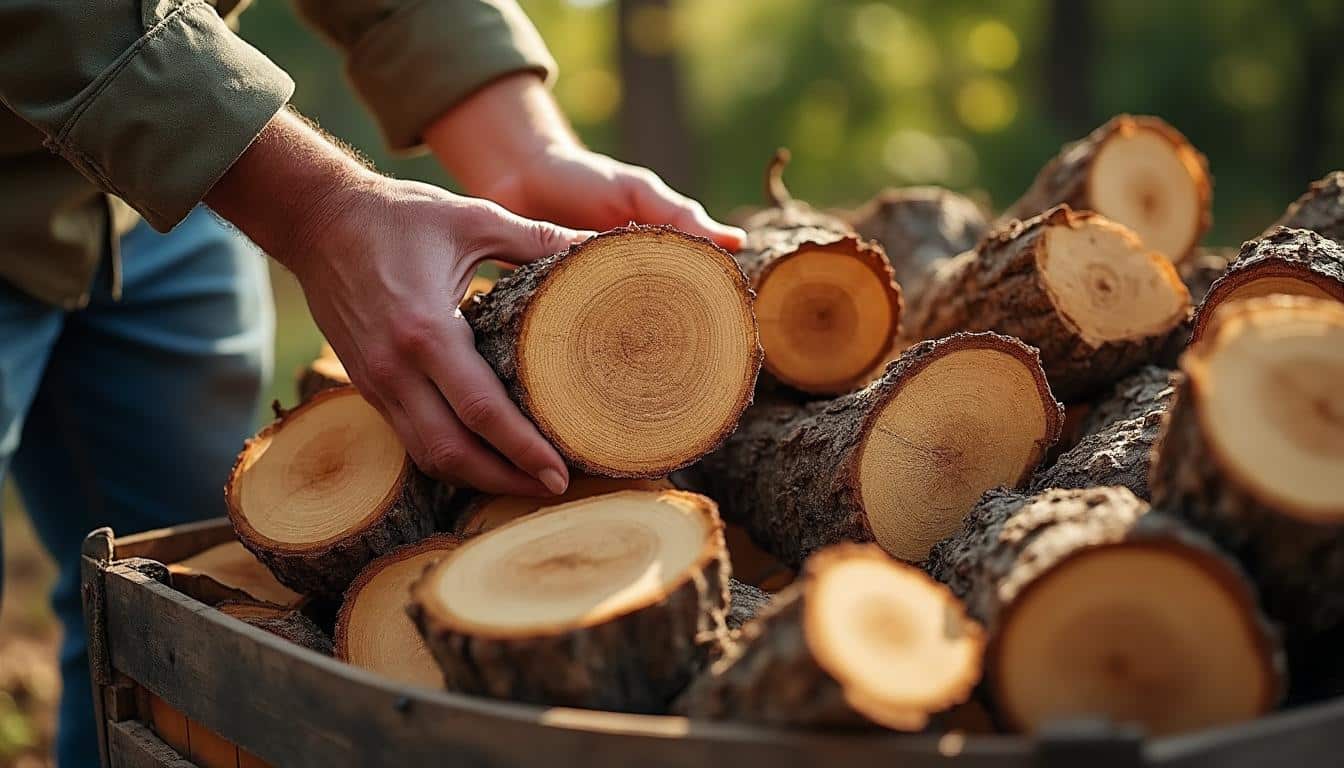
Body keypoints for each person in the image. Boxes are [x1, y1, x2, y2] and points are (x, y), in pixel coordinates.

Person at [0, 1, 744, 764]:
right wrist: (318, 213)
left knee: (155, 624)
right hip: (152, 132)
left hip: (158, 188)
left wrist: (518, 145)